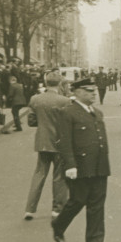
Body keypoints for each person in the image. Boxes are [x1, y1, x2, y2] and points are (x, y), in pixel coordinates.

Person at [51, 78, 111, 242]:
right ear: (76, 92)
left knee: (97, 202)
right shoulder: (68, 113)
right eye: (88, 91)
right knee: (77, 200)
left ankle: (94, 239)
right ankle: (59, 225)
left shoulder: (97, 113)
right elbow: (64, 141)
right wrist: (70, 165)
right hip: (80, 165)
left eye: (93, 90)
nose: (93, 93)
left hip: (99, 164)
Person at [23, 72, 71, 221]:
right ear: (60, 83)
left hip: (42, 141)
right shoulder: (65, 101)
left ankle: (30, 209)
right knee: (59, 177)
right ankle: (57, 209)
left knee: (39, 173)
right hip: (59, 143)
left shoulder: (35, 99)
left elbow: (31, 121)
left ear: (45, 81)